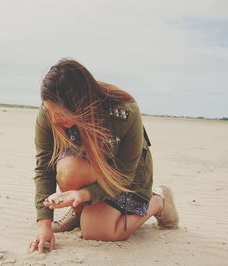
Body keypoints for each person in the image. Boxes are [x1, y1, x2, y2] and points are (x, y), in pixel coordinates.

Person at [29, 59, 179, 254]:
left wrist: (83, 194)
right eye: (50, 111)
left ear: (81, 105)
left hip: (125, 180)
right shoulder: (49, 111)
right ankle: (81, 212)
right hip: (90, 174)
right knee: (67, 171)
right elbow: (44, 168)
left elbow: (125, 174)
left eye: (61, 114)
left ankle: (158, 200)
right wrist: (44, 225)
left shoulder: (125, 111)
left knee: (98, 231)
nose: (54, 119)